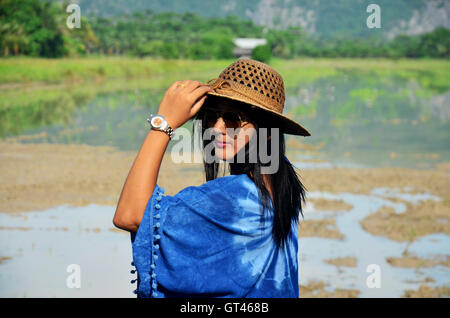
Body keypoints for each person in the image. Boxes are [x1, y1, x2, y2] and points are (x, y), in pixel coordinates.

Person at [113, 58, 311, 298]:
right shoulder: (279, 182)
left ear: (268, 133)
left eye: (233, 120)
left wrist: (163, 125)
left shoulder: (233, 199)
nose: (217, 128)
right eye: (212, 116)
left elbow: (130, 215)